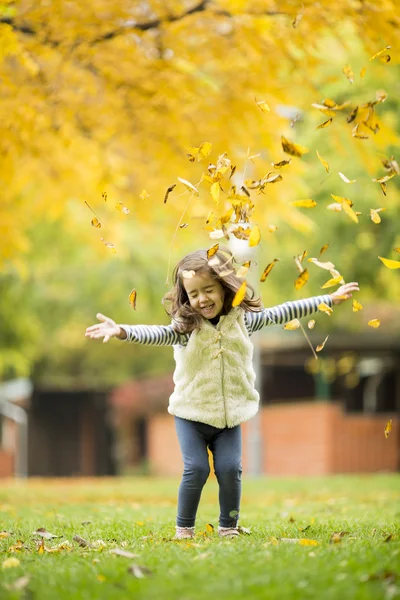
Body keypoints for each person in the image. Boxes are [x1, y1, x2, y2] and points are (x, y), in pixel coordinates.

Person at [85, 247, 359, 539]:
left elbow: (284, 311)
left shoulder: (244, 320)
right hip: (191, 414)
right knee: (197, 469)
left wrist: (328, 299)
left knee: (230, 469)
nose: (201, 299)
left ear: (225, 288)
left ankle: (228, 527)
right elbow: (157, 334)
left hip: (229, 417)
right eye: (193, 294)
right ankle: (184, 529)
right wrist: (122, 331)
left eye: (208, 290)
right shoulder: (186, 326)